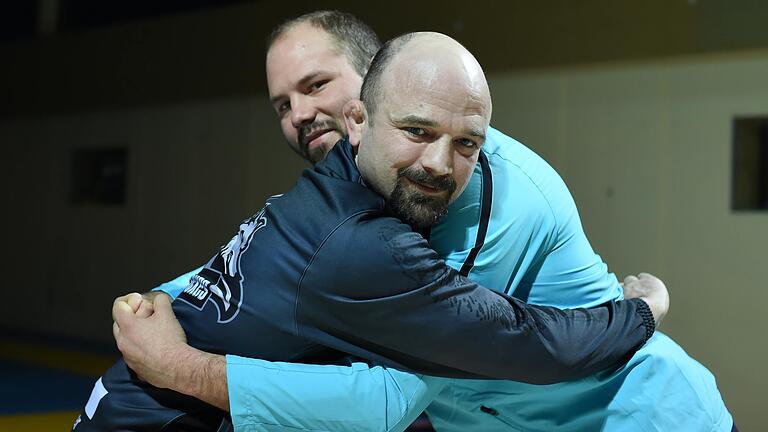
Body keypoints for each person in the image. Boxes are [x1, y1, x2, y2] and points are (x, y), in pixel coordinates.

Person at [74, 30, 665, 432]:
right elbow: (519, 346)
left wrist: (177, 353)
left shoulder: (486, 202)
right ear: (362, 122)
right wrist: (643, 308)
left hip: (637, 411)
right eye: (283, 103)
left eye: (316, 86)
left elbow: (436, 380)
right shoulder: (361, 232)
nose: (438, 161)